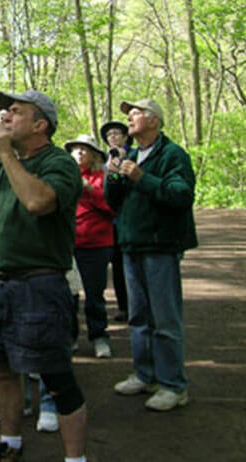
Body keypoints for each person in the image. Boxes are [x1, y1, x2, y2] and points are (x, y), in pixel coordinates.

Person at [0, 90, 89, 462]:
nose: (5, 117)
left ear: (40, 124)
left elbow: (38, 202)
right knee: (3, 371)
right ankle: (10, 449)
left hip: (40, 287)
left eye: (16, 112)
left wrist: (5, 154)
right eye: (5, 111)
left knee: (56, 376)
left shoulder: (58, 163)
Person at [105, 99, 197, 412]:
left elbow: (181, 195)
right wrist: (113, 175)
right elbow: (112, 201)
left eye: (136, 112)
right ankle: (145, 374)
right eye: (128, 113)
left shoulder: (172, 154)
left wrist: (141, 177)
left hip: (160, 246)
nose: (129, 117)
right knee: (138, 316)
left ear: (155, 120)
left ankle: (173, 385)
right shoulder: (128, 154)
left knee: (165, 318)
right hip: (131, 244)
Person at [65, 133, 115, 359]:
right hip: (68, 244)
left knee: (94, 295)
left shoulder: (101, 177)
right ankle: (70, 337)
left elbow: (111, 207)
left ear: (94, 154)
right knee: (69, 295)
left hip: (96, 244)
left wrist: (87, 188)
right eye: (75, 149)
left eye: (84, 149)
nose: (79, 153)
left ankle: (99, 337)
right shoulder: (64, 176)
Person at [99, 120, 131, 321]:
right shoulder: (103, 163)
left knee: (130, 266)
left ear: (125, 137)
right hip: (108, 223)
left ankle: (135, 305)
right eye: (109, 134)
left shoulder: (132, 157)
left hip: (127, 219)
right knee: (116, 267)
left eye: (117, 133)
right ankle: (123, 306)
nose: (113, 137)